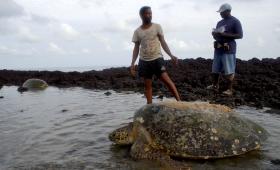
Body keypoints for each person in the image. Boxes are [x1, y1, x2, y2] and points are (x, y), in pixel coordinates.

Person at [130, 6, 181, 104]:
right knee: (148, 86)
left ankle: (179, 102)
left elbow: (163, 42)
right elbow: (136, 48)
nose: (149, 15)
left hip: (157, 58)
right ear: (141, 15)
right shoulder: (137, 32)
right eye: (147, 13)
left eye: (150, 13)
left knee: (167, 81)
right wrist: (132, 63)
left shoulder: (157, 27)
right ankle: (149, 106)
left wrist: (171, 55)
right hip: (144, 61)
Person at [207, 3, 243, 95]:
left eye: (222, 12)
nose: (220, 14)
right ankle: (215, 85)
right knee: (215, 69)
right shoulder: (220, 22)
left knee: (229, 70)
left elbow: (240, 35)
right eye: (220, 12)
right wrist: (214, 35)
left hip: (228, 49)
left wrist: (224, 34)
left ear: (228, 11)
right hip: (218, 48)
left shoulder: (235, 21)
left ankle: (229, 89)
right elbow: (217, 36)